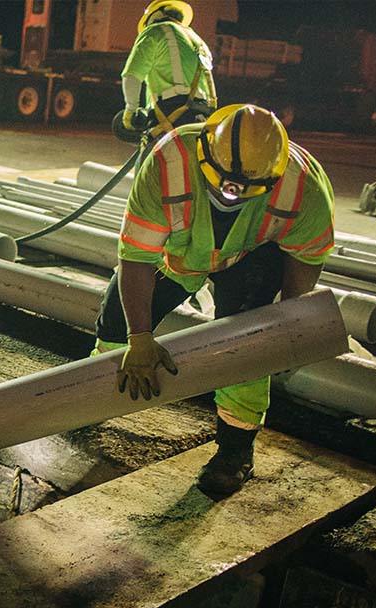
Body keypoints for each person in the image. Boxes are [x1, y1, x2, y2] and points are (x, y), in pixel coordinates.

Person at [94, 104, 335, 496]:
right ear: (205, 150)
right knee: (115, 320)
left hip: (250, 255)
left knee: (248, 341)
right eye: (223, 182)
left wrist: (287, 326)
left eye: (245, 187)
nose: (231, 192)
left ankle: (234, 452)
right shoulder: (170, 162)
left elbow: (306, 258)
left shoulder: (303, 187)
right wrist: (139, 338)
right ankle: (92, 397)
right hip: (182, 251)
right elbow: (137, 257)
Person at [115, 0, 216, 142]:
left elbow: (131, 76)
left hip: (170, 111)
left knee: (151, 162)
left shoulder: (155, 31)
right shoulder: (198, 41)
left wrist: (130, 112)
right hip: (203, 113)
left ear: (154, 17)